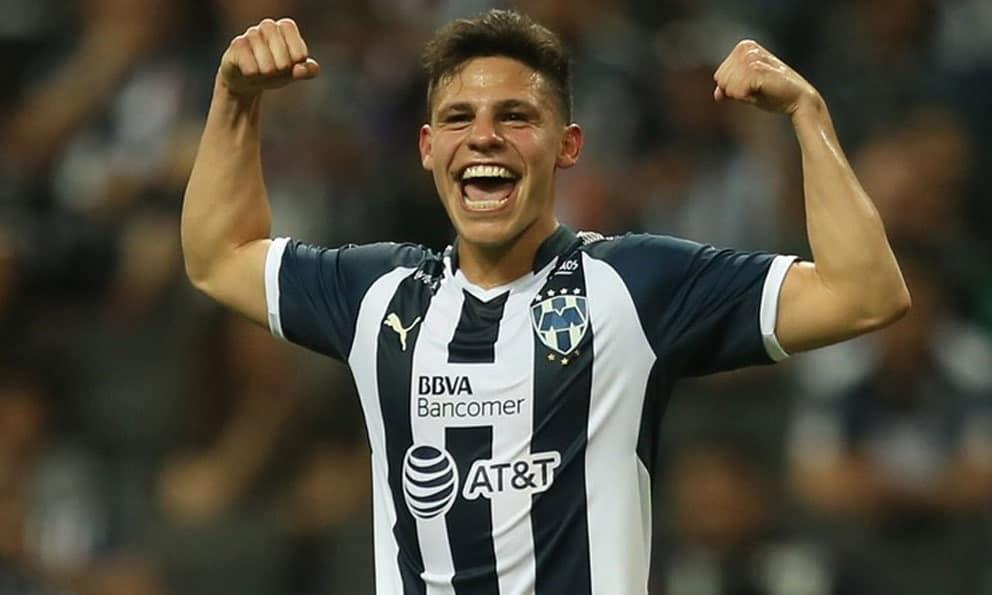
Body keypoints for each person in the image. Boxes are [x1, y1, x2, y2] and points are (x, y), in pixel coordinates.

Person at [180, 9, 910, 594]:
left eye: (515, 117)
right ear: (428, 147)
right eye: (459, 118)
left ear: (568, 146)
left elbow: (864, 293)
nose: (484, 137)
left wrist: (807, 114)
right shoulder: (380, 296)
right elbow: (218, 256)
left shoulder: (635, 286)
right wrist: (234, 97)